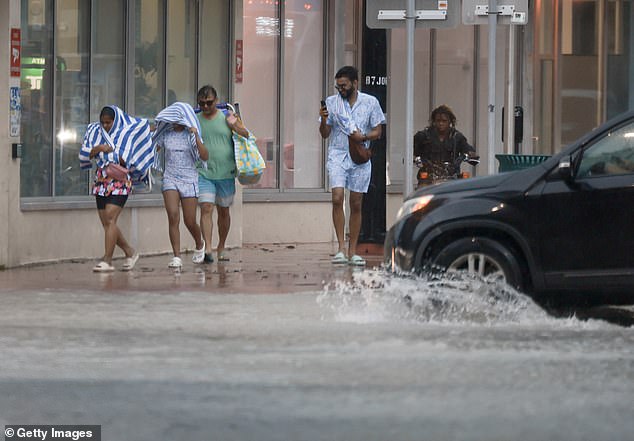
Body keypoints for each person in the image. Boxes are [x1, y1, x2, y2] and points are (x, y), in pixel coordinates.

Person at [319, 66, 385, 266]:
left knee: (356, 203)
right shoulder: (332, 103)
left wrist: (362, 137)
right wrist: (323, 119)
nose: (341, 90)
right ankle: (340, 247)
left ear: (355, 83)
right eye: (338, 86)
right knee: (337, 197)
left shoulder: (370, 102)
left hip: (360, 157)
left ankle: (352, 250)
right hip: (338, 155)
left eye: (344, 86)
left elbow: (378, 131)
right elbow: (324, 133)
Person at [79, 106, 140, 273]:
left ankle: (107, 260)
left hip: (120, 180)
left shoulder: (125, 134)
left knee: (111, 218)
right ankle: (129, 251)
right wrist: (100, 149)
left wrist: (111, 152)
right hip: (101, 180)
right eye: (103, 122)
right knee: (107, 222)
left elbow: (127, 157)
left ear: (115, 121)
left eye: (109, 122)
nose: (105, 126)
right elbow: (86, 154)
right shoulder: (94, 132)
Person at [196, 85, 248, 263]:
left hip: (226, 173)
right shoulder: (195, 120)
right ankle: (208, 249)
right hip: (203, 172)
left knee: (223, 211)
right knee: (206, 207)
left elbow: (246, 135)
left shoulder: (227, 117)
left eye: (209, 103)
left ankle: (221, 247)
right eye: (201, 103)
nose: (205, 107)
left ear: (216, 101)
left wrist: (235, 125)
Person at [153, 103, 209, 269]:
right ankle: (176, 256)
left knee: (189, 221)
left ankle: (199, 243)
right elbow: (153, 148)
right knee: (172, 215)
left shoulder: (190, 134)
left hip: (189, 179)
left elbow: (205, 156)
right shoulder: (166, 134)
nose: (176, 121)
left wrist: (197, 136)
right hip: (170, 178)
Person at [413, 104, 475, 187]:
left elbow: (468, 149)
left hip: (452, 177)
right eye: (438, 120)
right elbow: (410, 151)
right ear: (434, 121)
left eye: (444, 121)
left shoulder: (456, 137)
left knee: (464, 190)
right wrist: (416, 159)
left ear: (450, 121)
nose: (441, 123)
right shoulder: (423, 136)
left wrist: (471, 154)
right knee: (422, 193)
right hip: (429, 177)